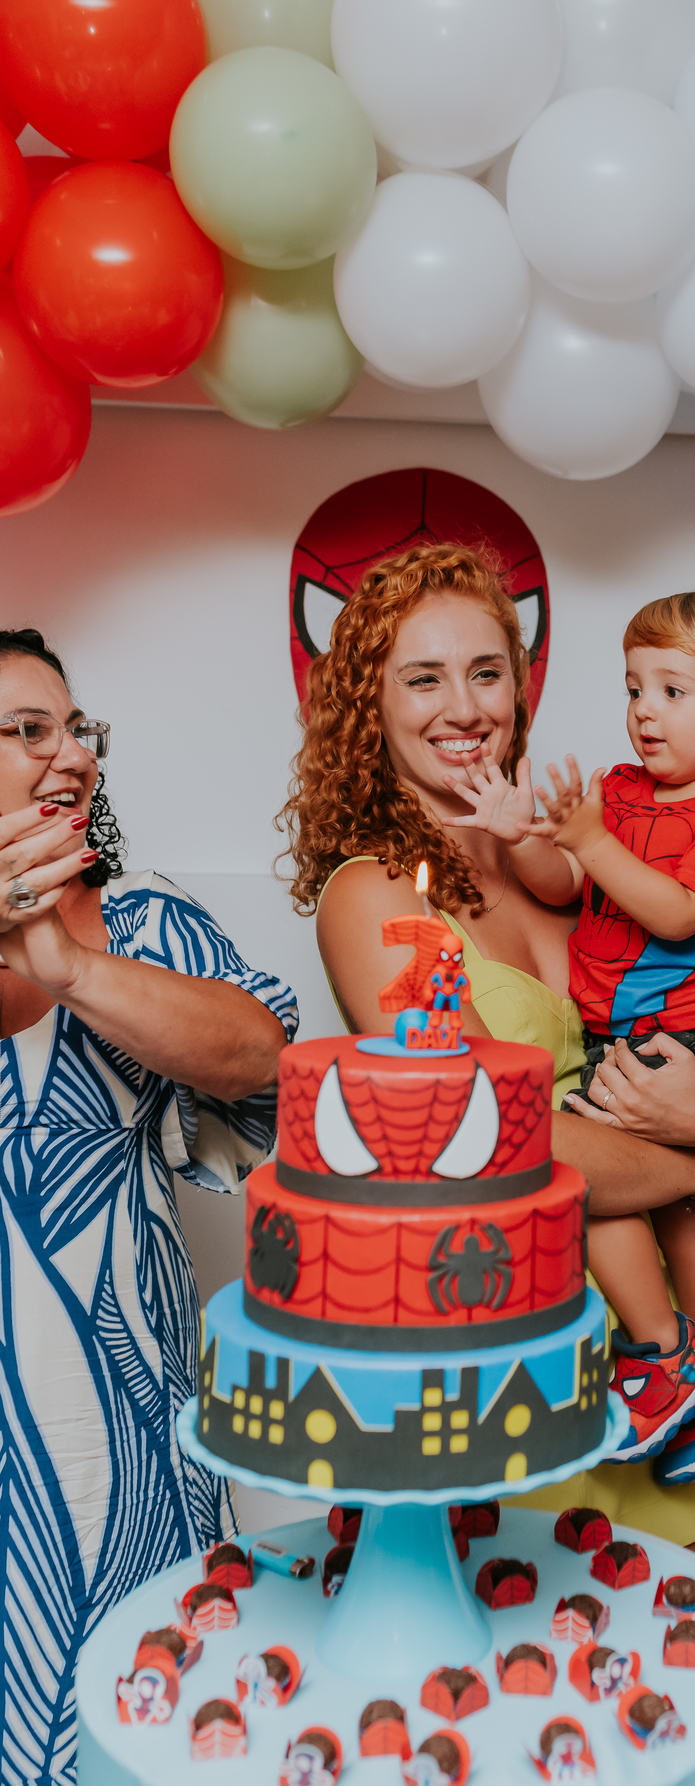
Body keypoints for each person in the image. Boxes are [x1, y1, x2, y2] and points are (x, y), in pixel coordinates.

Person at [278, 543, 695, 1552]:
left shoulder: (558, 856)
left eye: (487, 671)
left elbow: (672, 1030)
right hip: (506, 1341)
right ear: (368, 703)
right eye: (423, 677)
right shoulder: (378, 899)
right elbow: (485, 1133)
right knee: (531, 1667)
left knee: (671, 1661)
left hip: (651, 1345)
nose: (465, 706)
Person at [0, 628, 296, 1784]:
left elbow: (261, 1053)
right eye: (29, 729)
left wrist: (64, 962)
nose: (69, 753)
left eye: (80, 729)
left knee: (151, 1734)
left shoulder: (142, 916)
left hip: (128, 1450)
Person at [446, 589, 695, 1485]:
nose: (643, 710)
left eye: (673, 691)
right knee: (667, 1206)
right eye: (634, 688)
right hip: (624, 1033)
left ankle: (674, 1355)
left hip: (686, 1037)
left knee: (593, 1191)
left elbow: (679, 915)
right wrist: (523, 832)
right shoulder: (619, 790)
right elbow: (566, 884)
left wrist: (593, 840)